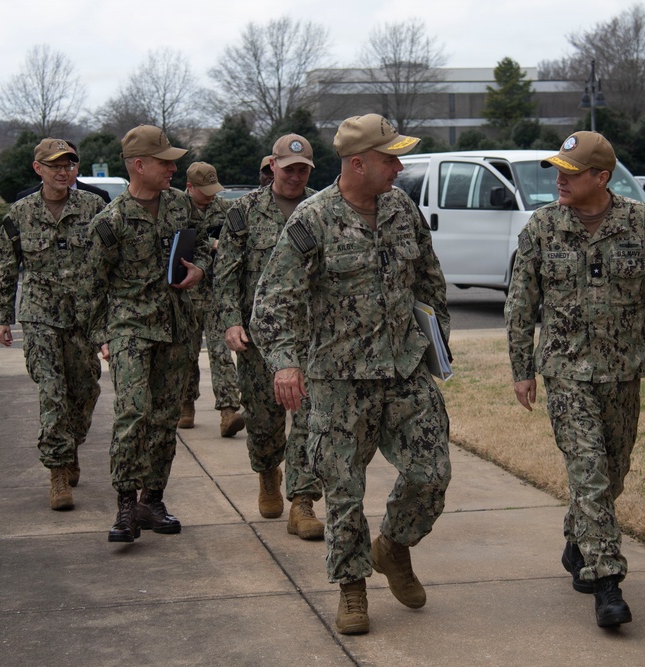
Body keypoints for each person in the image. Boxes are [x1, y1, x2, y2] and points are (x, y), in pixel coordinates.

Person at [249, 115, 452, 635]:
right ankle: (352, 587)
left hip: (405, 369)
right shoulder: (311, 221)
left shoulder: (402, 209)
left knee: (432, 473)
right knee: (342, 489)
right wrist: (286, 363)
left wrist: (436, 342)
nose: (399, 167)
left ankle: (394, 546)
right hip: (339, 379)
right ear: (358, 163)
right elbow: (273, 302)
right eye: (390, 159)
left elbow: (429, 279)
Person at [504, 131, 645, 628]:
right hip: (565, 370)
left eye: (570, 173)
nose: (559, 180)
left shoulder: (641, 224)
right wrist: (521, 369)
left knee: (612, 472)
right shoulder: (542, 227)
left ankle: (578, 539)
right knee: (588, 469)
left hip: (623, 370)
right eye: (558, 170)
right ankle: (607, 581)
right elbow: (520, 304)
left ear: (601, 177)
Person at [86, 125, 211, 543]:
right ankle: (125, 506)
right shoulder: (110, 222)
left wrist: (200, 270)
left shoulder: (180, 206)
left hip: (176, 328)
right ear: (139, 165)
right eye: (165, 162)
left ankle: (151, 499)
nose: (174, 168)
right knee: (133, 414)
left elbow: (207, 243)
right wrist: (102, 335)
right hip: (130, 329)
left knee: (163, 420)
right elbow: (91, 285)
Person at [215, 134, 323, 540]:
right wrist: (230, 321)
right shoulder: (243, 212)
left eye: (303, 170)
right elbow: (226, 272)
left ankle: (303, 502)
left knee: (312, 419)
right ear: (272, 166)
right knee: (263, 422)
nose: (296, 176)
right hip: (260, 336)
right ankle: (267, 472)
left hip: (313, 336)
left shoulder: (322, 208)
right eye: (289, 168)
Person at [0, 138, 106, 511]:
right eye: (55, 165)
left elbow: (114, 259)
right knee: (52, 391)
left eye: (69, 164)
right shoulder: (20, 213)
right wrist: (1, 317)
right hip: (40, 315)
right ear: (38, 168)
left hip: (83, 317)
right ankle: (57, 471)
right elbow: (5, 266)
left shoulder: (95, 207)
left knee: (86, 390)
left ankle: (71, 446)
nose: (63, 171)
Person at [180, 161, 245, 437]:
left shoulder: (226, 210)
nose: (210, 196)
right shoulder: (177, 210)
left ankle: (228, 411)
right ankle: (185, 404)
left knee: (221, 353)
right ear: (189, 187)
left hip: (218, 293)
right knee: (186, 353)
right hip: (187, 293)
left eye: (213, 189)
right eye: (204, 190)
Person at [17, 140, 112, 203]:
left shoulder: (94, 204)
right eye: (55, 166)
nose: (63, 173)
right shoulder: (21, 209)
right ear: (38, 168)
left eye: (67, 166)